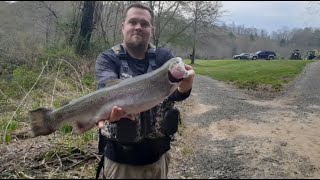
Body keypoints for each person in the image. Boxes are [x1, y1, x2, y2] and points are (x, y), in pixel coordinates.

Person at [94, 3, 195, 179]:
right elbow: (104, 90)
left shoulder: (165, 58)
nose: (138, 27)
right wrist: (106, 112)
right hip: (121, 162)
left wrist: (186, 86)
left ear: (152, 29)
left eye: (144, 23)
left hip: (159, 158)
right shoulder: (108, 58)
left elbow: (175, 94)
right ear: (122, 27)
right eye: (132, 22)